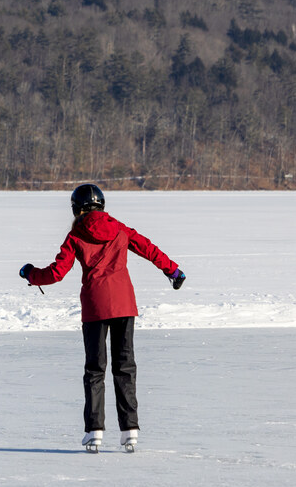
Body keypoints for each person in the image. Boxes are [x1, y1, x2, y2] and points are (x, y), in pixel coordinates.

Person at [19, 183, 186, 453]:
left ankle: (94, 431)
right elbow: (149, 249)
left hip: (95, 307)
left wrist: (30, 273)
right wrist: (174, 272)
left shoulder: (76, 235)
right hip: (123, 304)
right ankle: (130, 429)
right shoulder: (120, 228)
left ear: (77, 208)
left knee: (95, 370)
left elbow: (57, 272)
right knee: (125, 367)